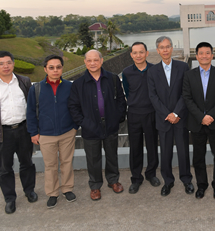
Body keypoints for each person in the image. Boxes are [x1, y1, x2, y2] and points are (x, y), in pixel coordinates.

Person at [0, 51, 37, 214]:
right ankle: (10, 199)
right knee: (5, 168)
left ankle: (29, 190)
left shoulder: (24, 82)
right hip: (3, 133)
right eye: (1, 63)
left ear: (13, 63)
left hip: (24, 129)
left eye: (8, 62)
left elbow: (31, 106)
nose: (5, 66)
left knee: (27, 163)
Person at [68, 49, 127, 200]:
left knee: (112, 156)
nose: (92, 63)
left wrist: (117, 118)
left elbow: (121, 101)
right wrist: (84, 123)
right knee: (93, 159)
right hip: (90, 127)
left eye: (95, 60)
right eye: (89, 60)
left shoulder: (112, 79)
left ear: (101, 61)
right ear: (85, 62)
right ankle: (95, 186)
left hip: (110, 125)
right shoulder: (78, 84)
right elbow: (73, 107)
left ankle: (113, 180)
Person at [26, 54, 78, 208]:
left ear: (62, 68)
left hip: (67, 132)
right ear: (45, 69)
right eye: (51, 67)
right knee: (50, 165)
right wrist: (33, 132)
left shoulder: (69, 86)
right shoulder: (36, 89)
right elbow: (30, 112)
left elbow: (76, 107)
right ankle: (53, 193)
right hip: (46, 134)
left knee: (67, 162)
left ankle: (67, 189)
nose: (55, 70)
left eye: (58, 67)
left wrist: (75, 127)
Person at [147, 36, 194, 197]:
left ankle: (187, 179)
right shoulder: (152, 71)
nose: (165, 50)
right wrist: (167, 114)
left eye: (168, 47)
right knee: (165, 153)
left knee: (183, 152)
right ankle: (168, 181)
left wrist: (175, 113)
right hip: (163, 119)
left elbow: (186, 92)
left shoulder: (183, 67)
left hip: (180, 117)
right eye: (162, 47)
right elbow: (153, 96)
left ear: (172, 48)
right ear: (158, 50)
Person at [182, 42, 215, 200]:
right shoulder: (189, 75)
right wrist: (201, 117)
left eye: (207, 53)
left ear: (212, 55)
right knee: (198, 157)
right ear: (196, 56)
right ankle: (202, 185)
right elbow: (187, 98)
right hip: (197, 123)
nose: (204, 56)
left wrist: (210, 116)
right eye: (201, 53)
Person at [122, 42, 160, 194]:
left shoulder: (155, 70)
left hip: (151, 113)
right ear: (131, 55)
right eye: (135, 52)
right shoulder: (126, 72)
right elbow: (127, 91)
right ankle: (136, 178)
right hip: (134, 114)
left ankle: (151, 174)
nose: (138, 55)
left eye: (141, 52)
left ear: (147, 53)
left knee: (152, 146)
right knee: (135, 148)